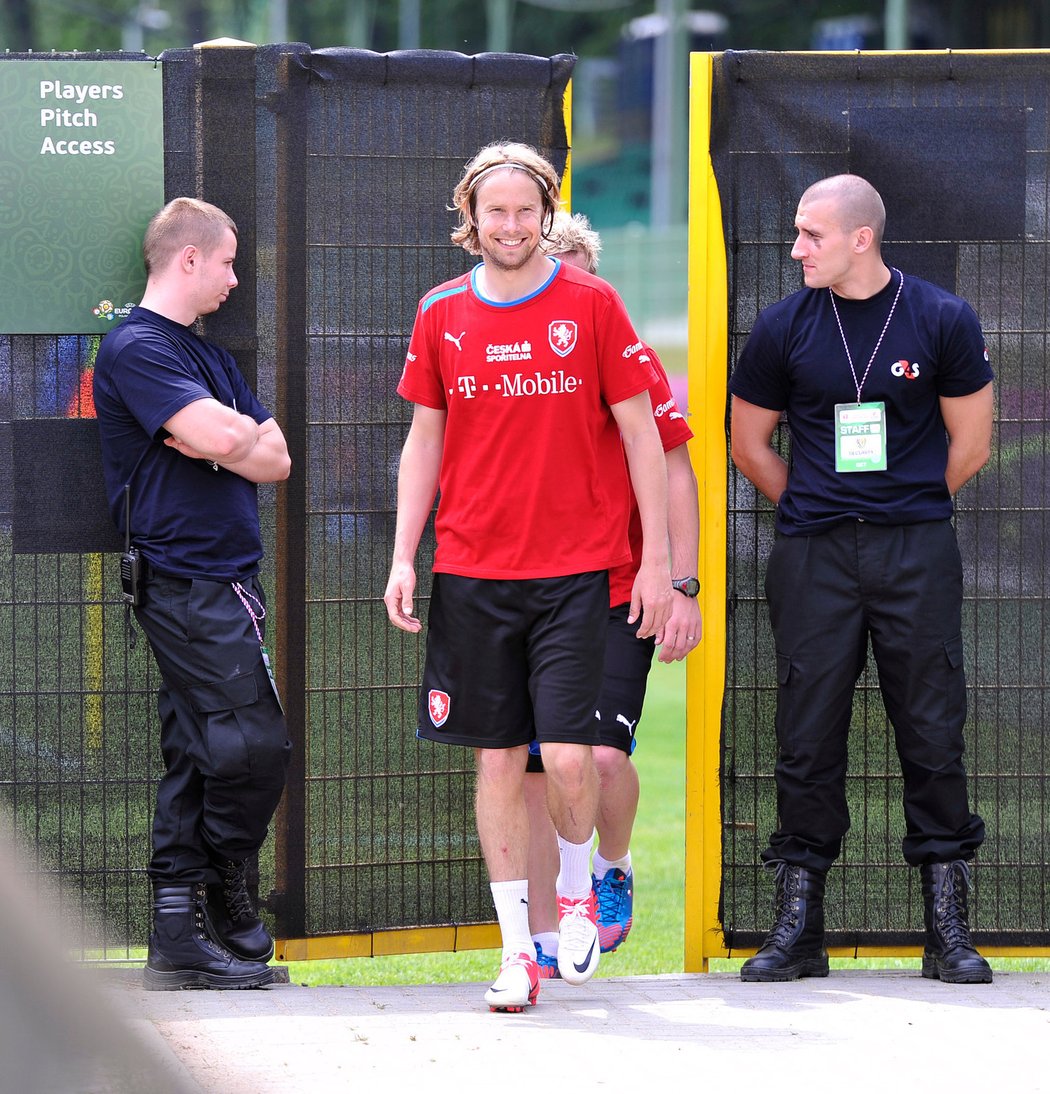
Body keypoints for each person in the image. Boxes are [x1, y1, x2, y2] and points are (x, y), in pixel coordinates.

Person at [383, 143, 673, 1012]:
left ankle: (580, 889)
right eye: (494, 211)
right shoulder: (439, 311)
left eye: (524, 210)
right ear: (469, 217)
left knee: (573, 757)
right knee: (499, 761)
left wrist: (657, 563)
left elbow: (642, 436)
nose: (509, 227)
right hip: (471, 573)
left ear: (545, 213)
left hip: (578, 574)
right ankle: (518, 953)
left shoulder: (590, 303)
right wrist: (404, 554)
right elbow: (424, 441)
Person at [728, 174, 994, 985]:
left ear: (861, 238)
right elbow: (750, 446)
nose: (797, 247)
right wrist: (820, 507)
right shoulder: (781, 327)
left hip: (915, 551)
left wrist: (900, 506)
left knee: (932, 728)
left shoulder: (942, 317)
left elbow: (972, 444)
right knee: (806, 735)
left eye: (811, 234)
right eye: (796, 234)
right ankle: (798, 926)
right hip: (814, 555)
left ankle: (946, 928)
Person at [93, 197, 292, 990]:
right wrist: (223, 439)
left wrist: (225, 439)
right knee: (254, 746)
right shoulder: (137, 346)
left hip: (226, 582)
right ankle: (224, 887)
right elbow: (224, 438)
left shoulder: (207, 358)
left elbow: (273, 456)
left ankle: (179, 929)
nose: (234, 280)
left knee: (199, 751)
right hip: (186, 581)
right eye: (228, 262)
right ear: (187, 260)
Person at [522, 212, 701, 978]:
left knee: (595, 757)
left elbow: (679, 470)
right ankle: (540, 935)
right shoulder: (498, 348)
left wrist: (682, 583)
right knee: (531, 765)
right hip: (525, 587)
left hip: (621, 587)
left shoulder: (625, 356)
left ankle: (613, 867)